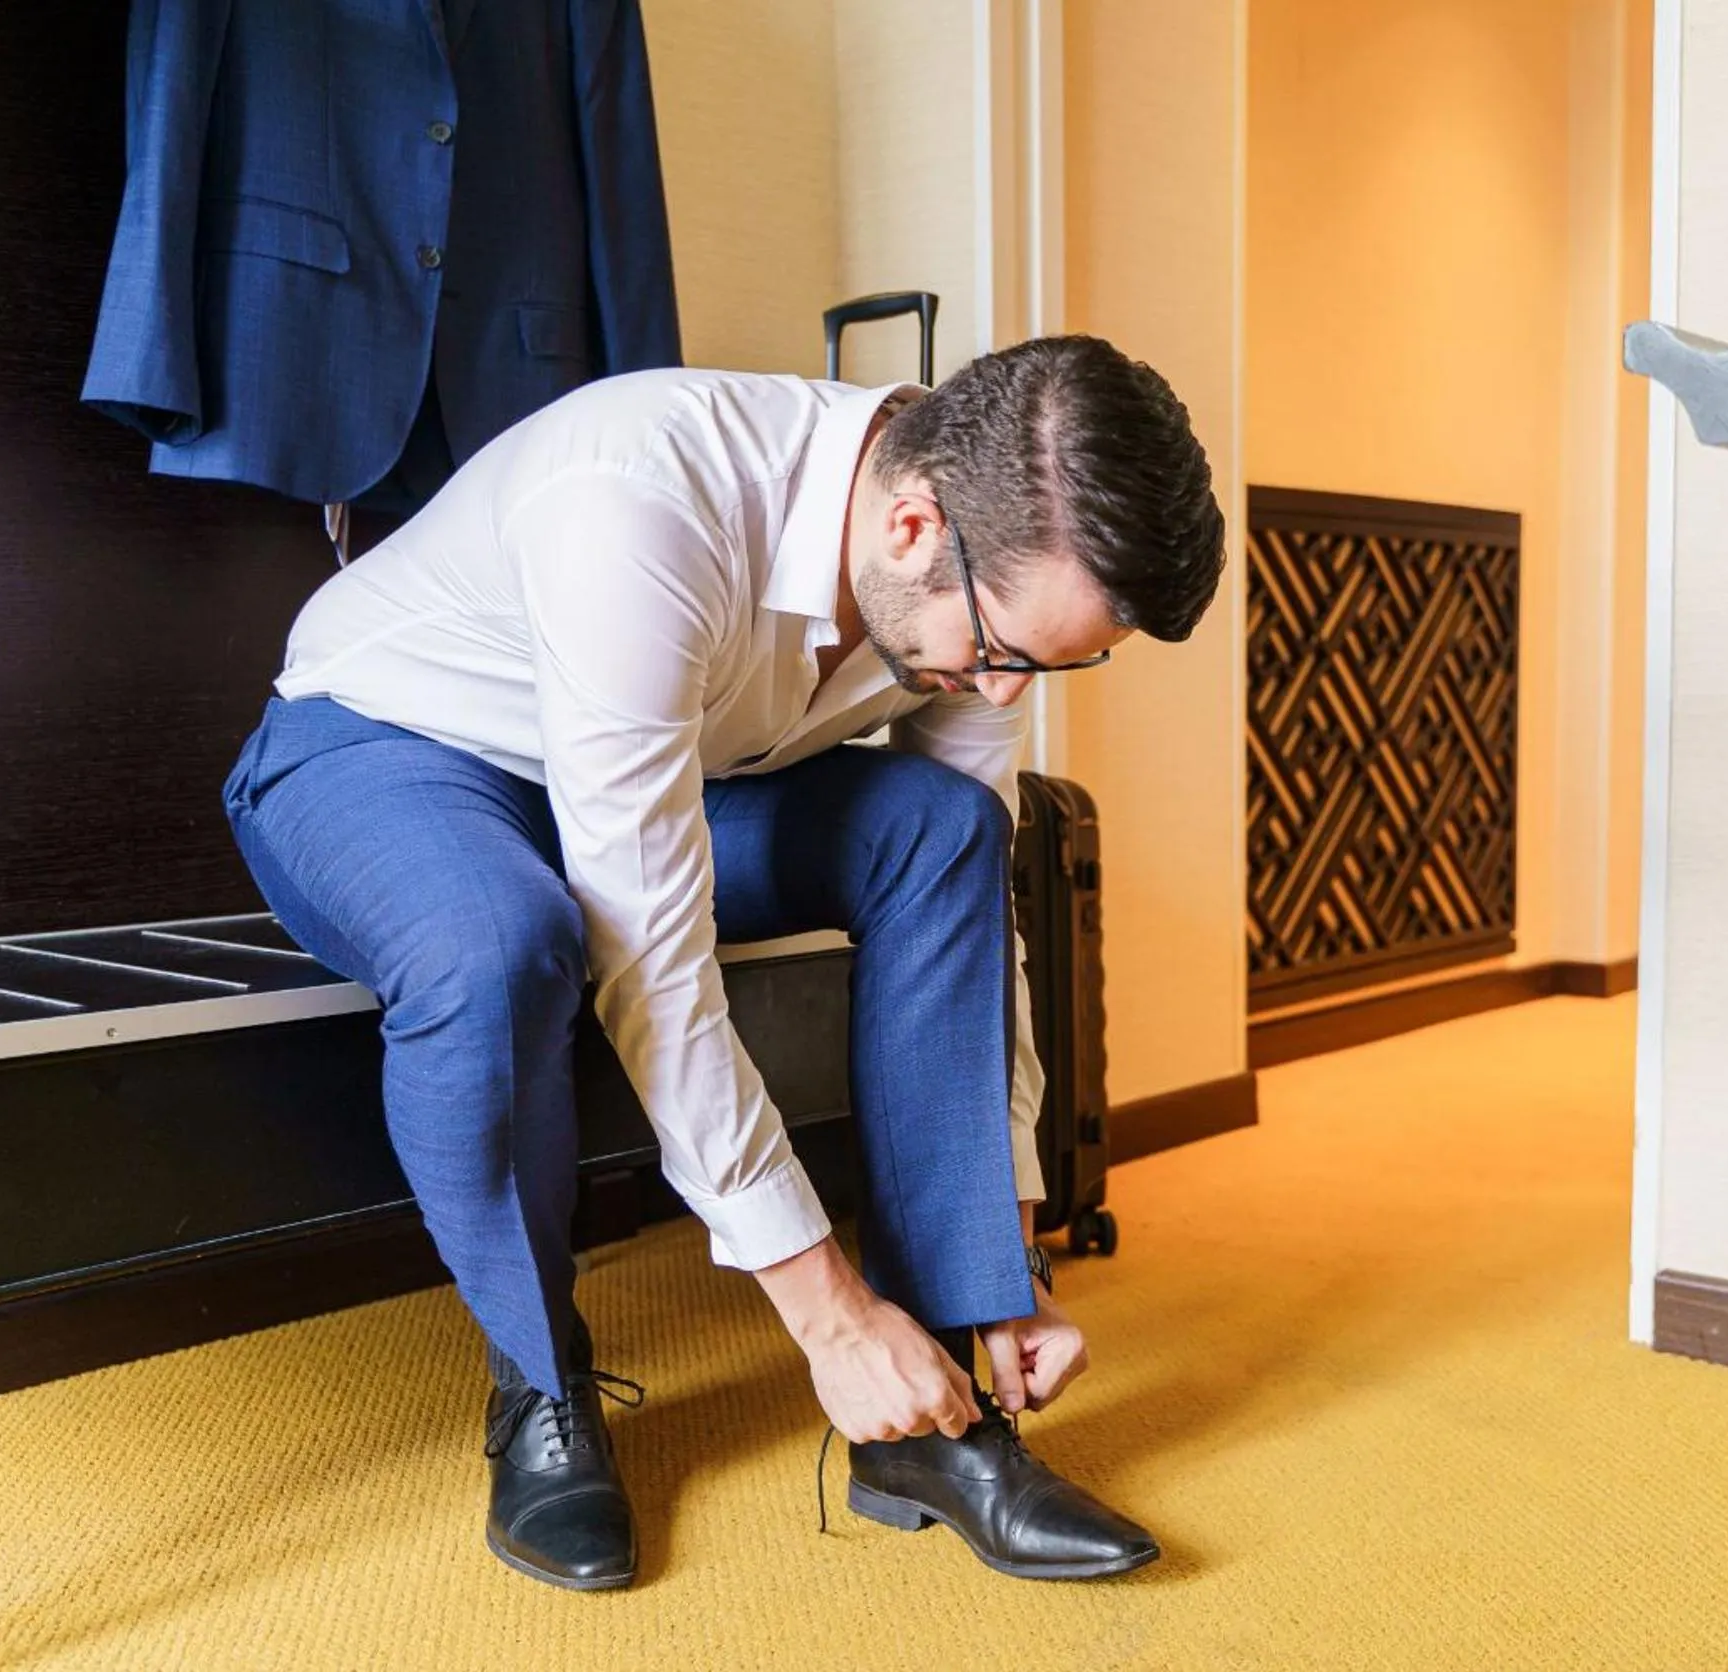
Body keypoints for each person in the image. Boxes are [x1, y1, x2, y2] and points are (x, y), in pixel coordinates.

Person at [220, 335, 1225, 1590]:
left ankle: (938, 1408)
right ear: (913, 524)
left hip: (657, 776)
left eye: (1047, 665)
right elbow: (649, 952)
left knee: (947, 828)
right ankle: (541, 1383)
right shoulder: (640, 503)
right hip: (388, 750)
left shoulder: (974, 576)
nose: (1006, 682)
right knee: (505, 943)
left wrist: (1005, 1257)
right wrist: (828, 1317)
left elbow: (982, 907)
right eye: (1009, 649)